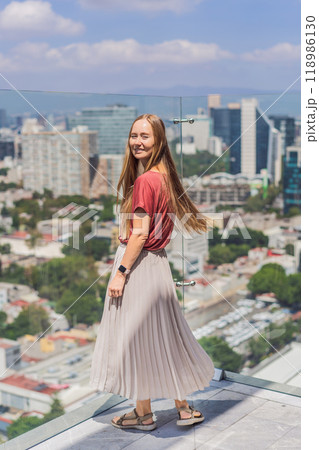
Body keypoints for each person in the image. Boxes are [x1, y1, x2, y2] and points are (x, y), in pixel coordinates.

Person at [89, 114, 215, 431]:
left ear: (158, 140)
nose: (137, 142)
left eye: (145, 136)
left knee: (134, 341)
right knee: (158, 338)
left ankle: (146, 414)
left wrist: (120, 272)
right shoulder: (163, 177)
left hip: (139, 265)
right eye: (134, 135)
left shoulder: (146, 181)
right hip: (156, 265)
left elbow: (140, 234)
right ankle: (178, 409)